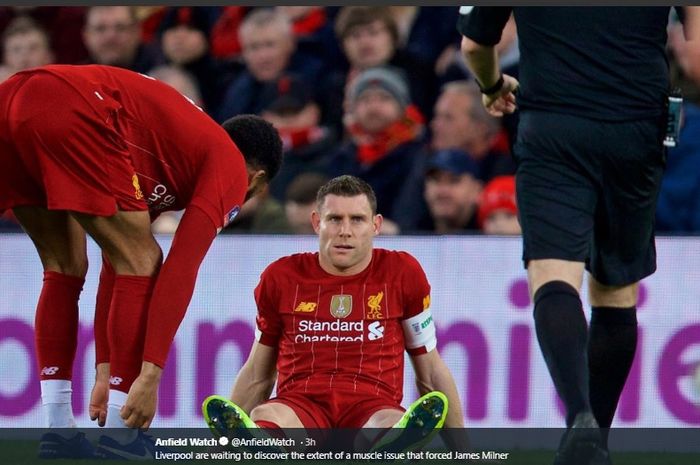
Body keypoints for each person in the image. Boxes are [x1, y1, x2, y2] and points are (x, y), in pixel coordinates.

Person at [0, 64, 282, 458]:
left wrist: (104, 366)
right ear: (257, 179)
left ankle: (58, 429)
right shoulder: (232, 168)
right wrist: (149, 376)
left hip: (12, 98)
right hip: (70, 105)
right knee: (147, 259)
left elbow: (116, 264)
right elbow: (178, 269)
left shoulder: (171, 153)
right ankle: (120, 434)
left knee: (64, 266)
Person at [459, 6, 700, 465]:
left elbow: (475, 44)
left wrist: (492, 87)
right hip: (637, 128)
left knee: (554, 276)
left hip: (554, 127)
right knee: (615, 291)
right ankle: (597, 443)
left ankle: (580, 418)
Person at [202, 175, 464, 451]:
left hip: (371, 407)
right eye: (335, 219)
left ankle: (388, 446)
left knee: (391, 421)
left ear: (376, 225)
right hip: (302, 407)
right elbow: (258, 373)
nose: (345, 231)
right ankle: (259, 443)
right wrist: (222, 445)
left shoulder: (402, 274)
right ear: (317, 223)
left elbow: (431, 371)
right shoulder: (281, 278)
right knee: (266, 415)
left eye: (358, 220)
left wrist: (464, 452)